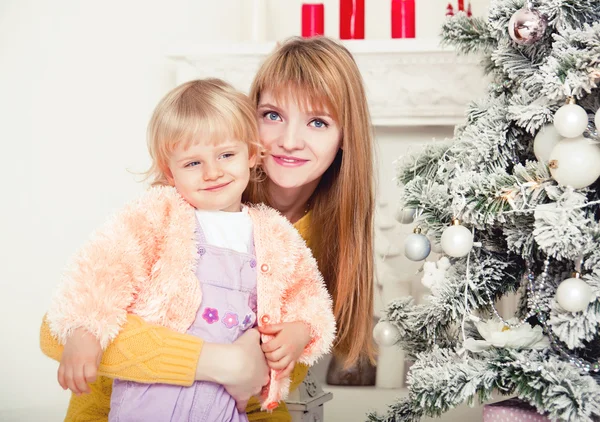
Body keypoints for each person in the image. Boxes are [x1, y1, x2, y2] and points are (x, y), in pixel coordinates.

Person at [40, 35, 375, 422]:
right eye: (272, 115)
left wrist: (295, 336)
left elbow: (267, 383)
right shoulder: (184, 202)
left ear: (345, 137)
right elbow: (56, 330)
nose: (288, 140)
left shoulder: (313, 246)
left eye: (318, 121)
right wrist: (219, 361)